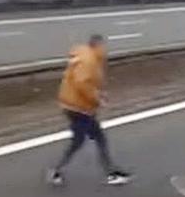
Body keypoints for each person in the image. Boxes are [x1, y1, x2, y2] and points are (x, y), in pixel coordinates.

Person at [47, 34, 131, 186]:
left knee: (86, 140)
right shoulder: (88, 60)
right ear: (97, 46)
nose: (106, 51)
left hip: (73, 105)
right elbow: (82, 83)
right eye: (104, 47)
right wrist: (96, 99)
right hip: (79, 108)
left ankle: (57, 171)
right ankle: (110, 173)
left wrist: (98, 94)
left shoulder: (85, 56)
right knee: (90, 140)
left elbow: (86, 83)